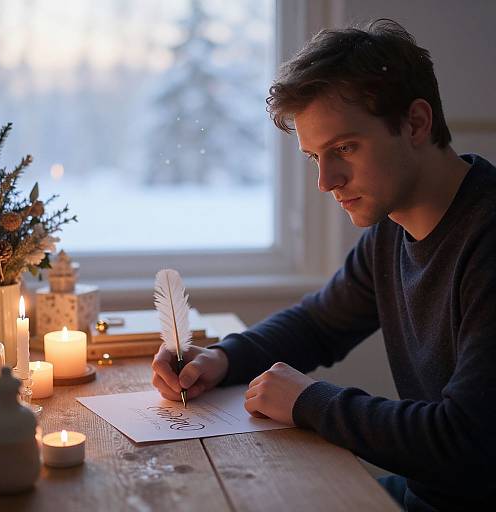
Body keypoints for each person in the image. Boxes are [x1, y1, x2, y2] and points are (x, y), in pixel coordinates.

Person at [152, 19, 496, 512]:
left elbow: (464, 442)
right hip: (427, 494)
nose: (327, 181)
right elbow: (318, 324)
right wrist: (221, 358)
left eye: (344, 148)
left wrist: (309, 400)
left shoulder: (487, 239)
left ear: (416, 123)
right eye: (315, 156)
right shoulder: (389, 232)